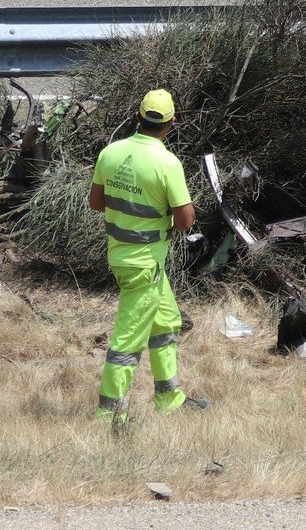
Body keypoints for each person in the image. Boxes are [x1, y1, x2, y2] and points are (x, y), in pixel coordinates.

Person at [89, 89, 209, 419]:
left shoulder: (110, 153)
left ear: (137, 117)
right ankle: (108, 415)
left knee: (167, 322)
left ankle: (169, 399)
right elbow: (185, 221)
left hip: (123, 256)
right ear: (172, 123)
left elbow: (96, 203)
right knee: (127, 341)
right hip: (144, 264)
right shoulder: (167, 163)